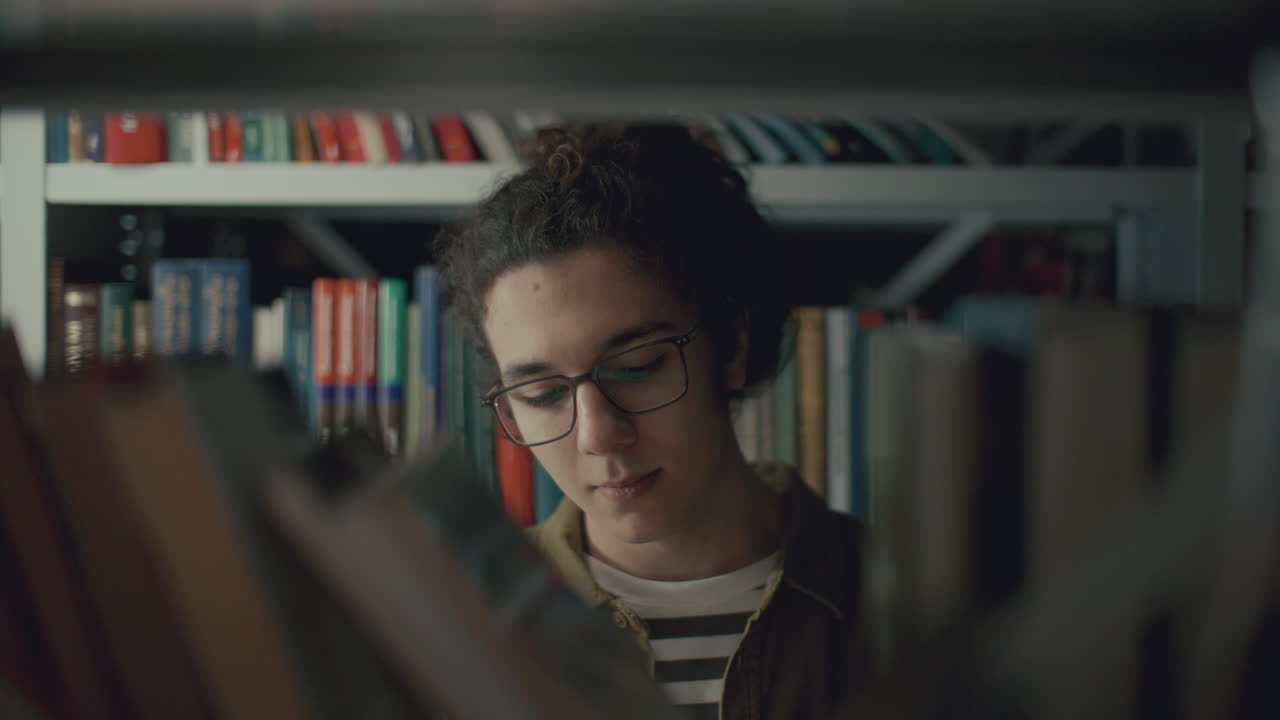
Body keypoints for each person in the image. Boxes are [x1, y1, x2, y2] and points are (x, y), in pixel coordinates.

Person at [433, 123, 869, 720]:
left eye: (636, 366)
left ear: (732, 347)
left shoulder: (899, 601)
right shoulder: (464, 620)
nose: (597, 435)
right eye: (540, 393)